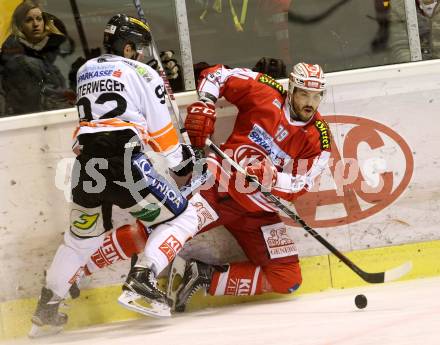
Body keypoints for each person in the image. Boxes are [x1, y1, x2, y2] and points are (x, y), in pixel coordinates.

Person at [79, 61, 332, 313]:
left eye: (316, 96)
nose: (309, 102)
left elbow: (303, 183)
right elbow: (217, 74)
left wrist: (272, 179)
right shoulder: (264, 90)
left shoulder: (319, 137)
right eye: (304, 94)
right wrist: (207, 102)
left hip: (258, 212)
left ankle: (201, 276)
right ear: (291, 89)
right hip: (217, 186)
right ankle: (80, 267)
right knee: (157, 225)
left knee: (287, 278)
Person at [29, 13, 199, 337]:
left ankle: (47, 309)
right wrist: (181, 163)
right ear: (129, 46)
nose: (140, 54)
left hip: (85, 168)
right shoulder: (142, 72)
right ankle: (143, 281)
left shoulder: (84, 70)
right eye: (138, 48)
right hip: (125, 164)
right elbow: (162, 130)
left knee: (79, 241)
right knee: (182, 217)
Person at [0, 0, 75, 116]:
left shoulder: (41, 57)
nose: (35, 24)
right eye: (29, 20)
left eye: (39, 19)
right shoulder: (20, 62)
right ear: (19, 26)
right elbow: (34, 104)